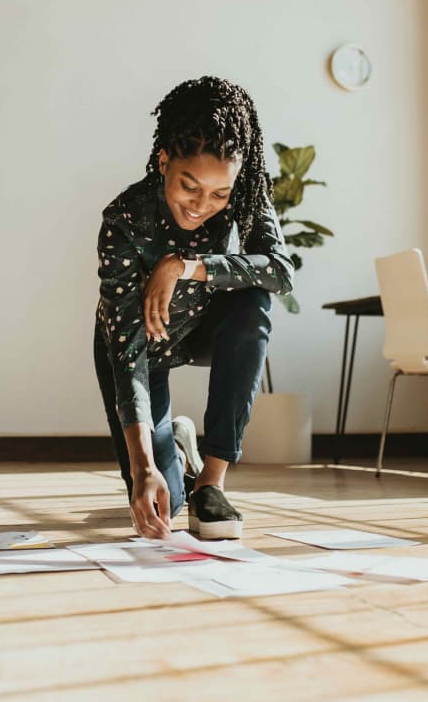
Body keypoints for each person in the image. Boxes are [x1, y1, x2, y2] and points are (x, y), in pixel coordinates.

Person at [93, 76, 294, 540]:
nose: (203, 205)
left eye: (219, 194)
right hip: (139, 347)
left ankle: (212, 483)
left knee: (253, 301)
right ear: (163, 161)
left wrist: (184, 265)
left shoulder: (242, 194)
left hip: (207, 327)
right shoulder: (123, 218)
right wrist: (144, 466)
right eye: (189, 187)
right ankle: (179, 452)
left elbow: (280, 271)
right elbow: (126, 352)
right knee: (162, 499)